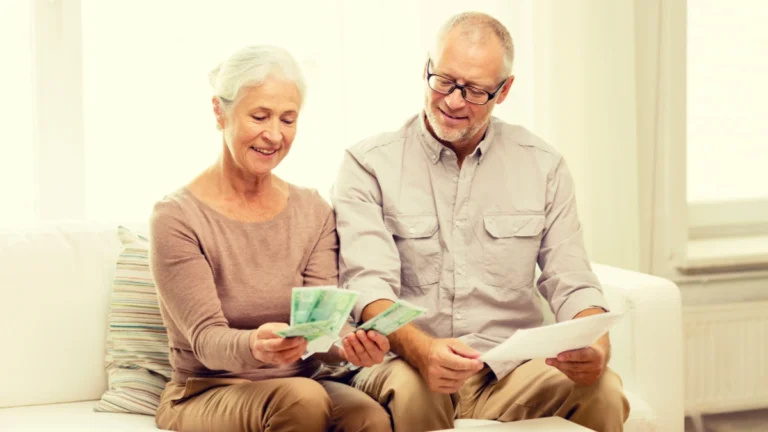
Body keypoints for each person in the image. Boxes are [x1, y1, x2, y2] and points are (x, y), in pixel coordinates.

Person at [331, 12, 630, 432]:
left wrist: (595, 345)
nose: (454, 101)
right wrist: (425, 352)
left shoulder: (542, 165)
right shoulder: (368, 164)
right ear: (426, 68)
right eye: (444, 81)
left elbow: (572, 279)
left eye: (474, 91)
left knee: (603, 390)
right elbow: (367, 286)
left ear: (504, 91)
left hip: (506, 371)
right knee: (416, 390)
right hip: (406, 366)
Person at [149, 45, 392, 432]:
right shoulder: (177, 216)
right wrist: (254, 346)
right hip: (207, 389)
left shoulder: (312, 209)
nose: (274, 134)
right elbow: (205, 341)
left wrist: (350, 345)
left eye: (288, 119)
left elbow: (320, 328)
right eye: (259, 116)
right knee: (303, 398)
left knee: (371, 417)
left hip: (300, 384)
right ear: (220, 112)